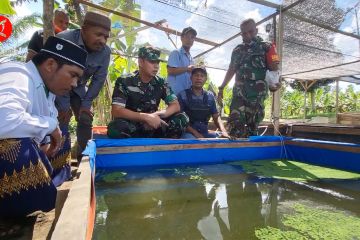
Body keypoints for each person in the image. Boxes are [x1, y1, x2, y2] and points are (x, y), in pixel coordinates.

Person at [0, 36, 87, 217]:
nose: (74, 84)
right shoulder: (18, 74)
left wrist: (46, 140)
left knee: (62, 134)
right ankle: (32, 200)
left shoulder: (49, 92)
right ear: (50, 65)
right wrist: (49, 125)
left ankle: (46, 189)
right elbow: (4, 121)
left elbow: (46, 132)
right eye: (73, 75)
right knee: (16, 147)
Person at [54, 11, 111, 169]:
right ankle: (59, 164)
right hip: (58, 89)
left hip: (80, 88)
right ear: (83, 29)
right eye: (98, 34)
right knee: (61, 119)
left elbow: (98, 79)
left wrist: (86, 104)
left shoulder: (105, 52)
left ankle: (83, 161)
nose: (102, 40)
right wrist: (63, 106)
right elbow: (55, 75)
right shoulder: (63, 40)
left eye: (106, 37)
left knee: (86, 119)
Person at [107, 46, 189, 138]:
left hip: (155, 124)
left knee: (182, 117)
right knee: (115, 127)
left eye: (157, 62)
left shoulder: (161, 82)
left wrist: (156, 115)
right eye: (152, 61)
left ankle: (165, 146)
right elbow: (117, 111)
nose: (156, 66)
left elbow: (175, 105)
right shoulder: (125, 81)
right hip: (133, 126)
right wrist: (146, 118)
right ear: (140, 62)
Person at [218, 18, 281, 138]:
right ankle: (233, 155)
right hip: (239, 95)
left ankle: (250, 155)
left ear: (256, 30)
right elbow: (231, 69)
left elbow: (275, 70)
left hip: (256, 98)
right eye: (244, 33)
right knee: (235, 126)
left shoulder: (266, 47)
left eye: (250, 32)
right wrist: (221, 87)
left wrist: (276, 84)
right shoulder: (237, 50)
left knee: (252, 130)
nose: (247, 35)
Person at [177, 67, 229, 139]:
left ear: (205, 79)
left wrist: (224, 131)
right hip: (189, 133)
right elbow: (180, 118)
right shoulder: (182, 95)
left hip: (205, 132)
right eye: (196, 75)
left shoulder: (210, 96)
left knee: (222, 139)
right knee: (191, 141)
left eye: (202, 76)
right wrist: (196, 134)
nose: (199, 78)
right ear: (191, 78)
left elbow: (216, 117)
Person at [167, 27, 197, 95]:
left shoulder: (191, 59)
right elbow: (170, 70)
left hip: (186, 96)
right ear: (181, 38)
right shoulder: (176, 53)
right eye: (187, 37)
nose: (189, 39)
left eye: (192, 37)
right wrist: (187, 68)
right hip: (175, 95)